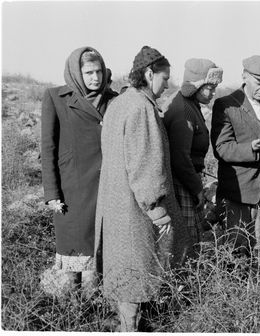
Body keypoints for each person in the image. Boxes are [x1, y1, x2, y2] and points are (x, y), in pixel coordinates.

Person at [95, 46, 191, 332]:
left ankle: (128, 326)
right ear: (149, 74)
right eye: (164, 78)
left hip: (117, 203)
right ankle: (130, 328)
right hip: (135, 210)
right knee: (135, 277)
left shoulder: (120, 103)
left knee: (127, 275)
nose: (166, 85)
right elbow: (144, 162)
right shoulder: (141, 108)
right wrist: (157, 209)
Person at [41, 46, 117, 295]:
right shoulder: (55, 98)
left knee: (99, 259)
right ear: (76, 73)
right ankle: (70, 318)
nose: (95, 78)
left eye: (99, 72)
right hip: (72, 191)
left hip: (106, 189)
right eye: (88, 73)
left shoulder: (114, 99)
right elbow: (48, 147)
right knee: (72, 256)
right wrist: (52, 193)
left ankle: (95, 313)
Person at [211, 55, 260, 256]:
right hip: (239, 190)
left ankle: (259, 283)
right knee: (237, 246)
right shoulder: (226, 104)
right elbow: (222, 148)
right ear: (245, 76)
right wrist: (250, 149)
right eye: (259, 83)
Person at [162, 58, 223, 246]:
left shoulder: (188, 104)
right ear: (196, 85)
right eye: (209, 87)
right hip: (182, 183)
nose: (213, 92)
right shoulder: (184, 111)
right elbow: (181, 159)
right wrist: (197, 189)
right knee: (187, 240)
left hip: (185, 180)